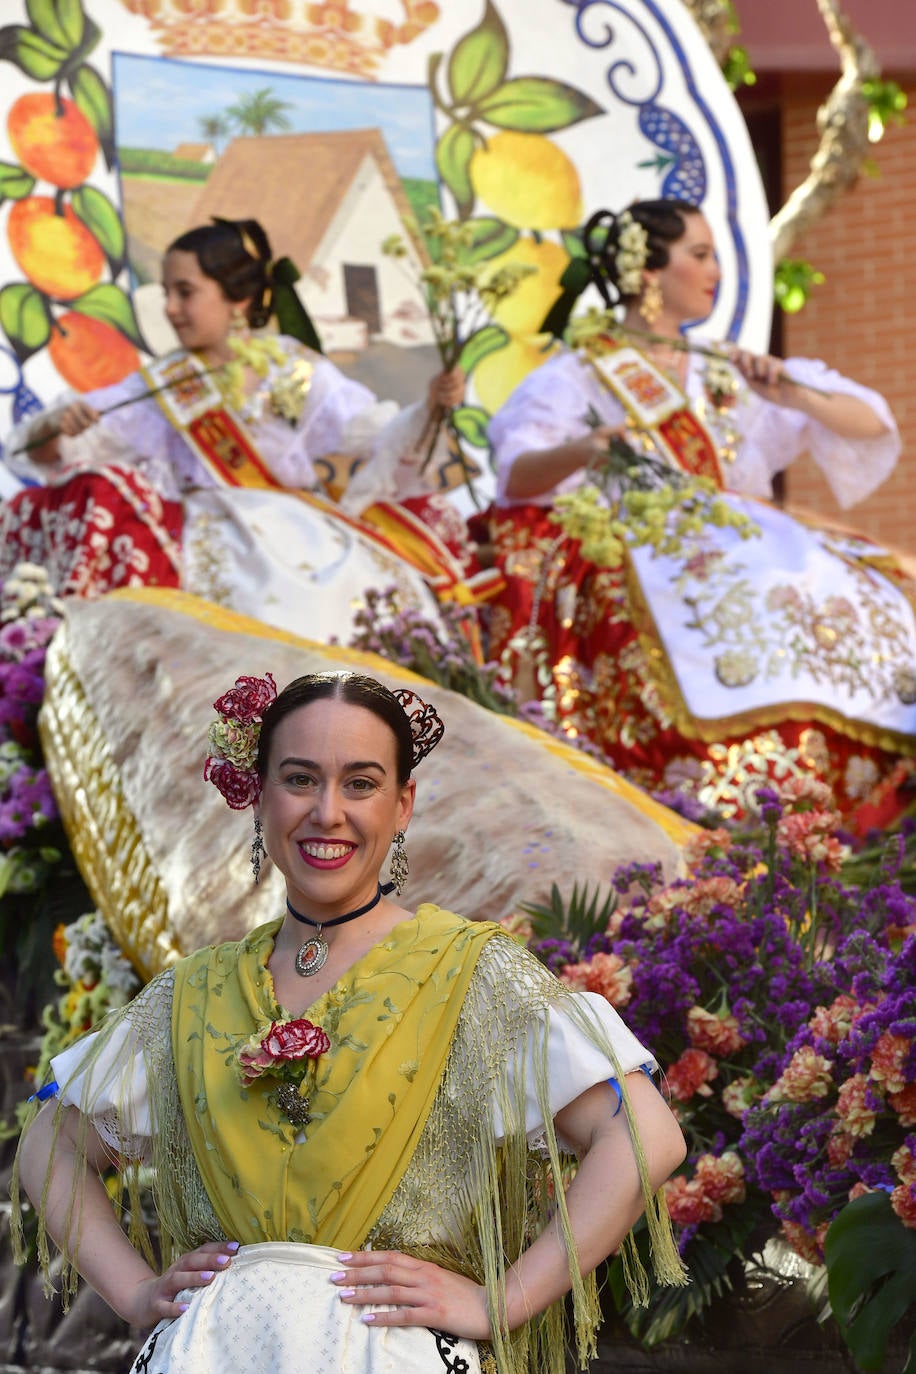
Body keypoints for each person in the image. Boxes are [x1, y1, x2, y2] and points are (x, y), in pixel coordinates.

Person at [13, 669, 686, 1374]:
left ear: (403, 805)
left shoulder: (468, 973)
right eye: (300, 779)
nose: (327, 812)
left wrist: (501, 1301)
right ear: (260, 795)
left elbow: (643, 1134)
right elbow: (49, 1144)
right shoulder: (193, 992)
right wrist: (134, 1292)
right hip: (214, 1352)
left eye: (360, 784)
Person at [487, 198, 916, 824]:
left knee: (881, 585)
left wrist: (788, 390)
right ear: (651, 272)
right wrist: (586, 449)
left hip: (749, 547)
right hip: (655, 553)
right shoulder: (582, 372)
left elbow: (871, 421)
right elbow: (516, 476)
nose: (716, 269)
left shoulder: (729, 370)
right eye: (700, 254)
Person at [0, 218, 478, 643]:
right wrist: (56, 425)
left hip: (301, 530)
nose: (169, 308)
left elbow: (372, 435)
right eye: (166, 292)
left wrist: (429, 407)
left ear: (239, 298)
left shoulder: (288, 366)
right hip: (209, 535)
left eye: (185, 292)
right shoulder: (166, 384)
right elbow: (55, 450)